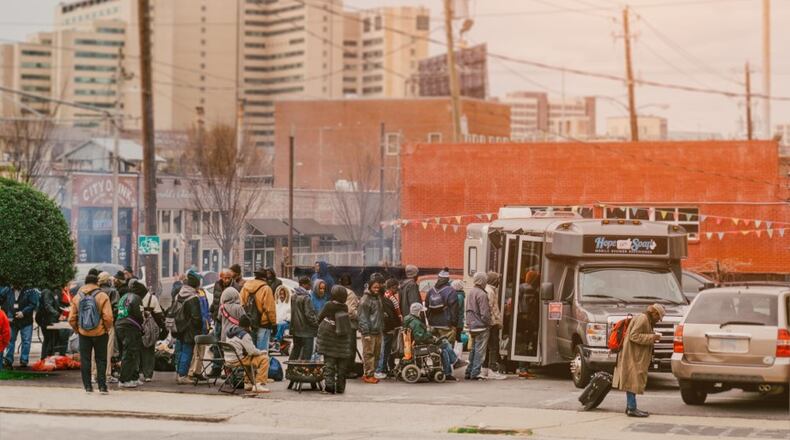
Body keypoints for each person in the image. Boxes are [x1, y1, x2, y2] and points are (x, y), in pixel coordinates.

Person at [613, 303, 665, 418]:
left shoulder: (645, 318)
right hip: (633, 355)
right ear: (654, 313)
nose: (658, 320)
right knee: (632, 381)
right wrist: (653, 337)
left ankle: (630, 407)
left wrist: (651, 335)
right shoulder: (643, 319)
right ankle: (632, 408)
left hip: (634, 355)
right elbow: (634, 336)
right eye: (659, 317)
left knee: (632, 381)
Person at [68, 274, 114, 394]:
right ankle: (102, 386)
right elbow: (108, 317)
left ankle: (88, 386)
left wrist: (78, 329)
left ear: (85, 283)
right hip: (100, 333)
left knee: (85, 360)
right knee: (101, 359)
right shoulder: (102, 296)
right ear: (97, 283)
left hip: (84, 333)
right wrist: (106, 328)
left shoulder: (77, 297)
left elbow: (71, 318)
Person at [403, 302, 459, 381]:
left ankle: (449, 370)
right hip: (420, 344)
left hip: (414, 344)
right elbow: (421, 337)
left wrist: (430, 335)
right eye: (421, 311)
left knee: (444, 349)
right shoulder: (416, 323)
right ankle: (454, 363)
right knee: (445, 344)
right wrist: (433, 339)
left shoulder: (408, 319)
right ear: (417, 312)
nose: (422, 313)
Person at [317, 285, 352, 394]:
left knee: (329, 364)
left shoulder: (329, 305)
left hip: (329, 339)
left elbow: (319, 317)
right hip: (342, 340)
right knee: (342, 366)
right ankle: (341, 388)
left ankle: (329, 387)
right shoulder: (345, 307)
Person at [170, 271, 203, 384]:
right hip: (190, 329)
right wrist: (199, 329)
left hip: (179, 327)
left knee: (180, 350)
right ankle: (183, 375)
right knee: (187, 352)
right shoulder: (193, 298)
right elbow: (196, 317)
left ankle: (178, 373)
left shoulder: (180, 294)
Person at [225, 314, 270, 393]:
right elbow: (252, 351)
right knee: (264, 359)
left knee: (249, 358)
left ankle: (248, 383)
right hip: (237, 360)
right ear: (248, 326)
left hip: (227, 360)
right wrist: (261, 352)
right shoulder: (244, 335)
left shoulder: (230, 332)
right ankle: (258, 384)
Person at [1, 285, 39, 369]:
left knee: (26, 341)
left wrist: (23, 312)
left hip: (26, 320)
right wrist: (6, 314)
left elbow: (33, 304)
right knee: (10, 340)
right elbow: (1, 300)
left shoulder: (29, 290)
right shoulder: (8, 289)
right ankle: (8, 360)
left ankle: (24, 360)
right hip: (12, 320)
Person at [115, 279, 144, 388]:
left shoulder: (123, 297)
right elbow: (139, 314)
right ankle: (124, 380)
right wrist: (142, 322)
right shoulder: (137, 298)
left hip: (119, 324)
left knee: (127, 352)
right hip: (131, 326)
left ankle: (133, 377)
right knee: (130, 353)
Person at [239, 267, 276, 354]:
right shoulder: (266, 289)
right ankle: (261, 363)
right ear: (265, 277)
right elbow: (270, 309)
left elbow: (241, 304)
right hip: (263, 323)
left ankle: (253, 363)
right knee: (262, 351)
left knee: (251, 350)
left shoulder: (245, 287)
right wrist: (274, 323)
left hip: (249, 323)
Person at [93, 272, 119, 384]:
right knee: (108, 350)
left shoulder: (94, 292)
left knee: (95, 349)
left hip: (95, 323)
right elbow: (116, 308)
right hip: (108, 324)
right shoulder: (113, 292)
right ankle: (106, 374)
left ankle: (94, 374)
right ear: (108, 280)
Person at [358, 273, 384, 384]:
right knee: (369, 354)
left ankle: (368, 373)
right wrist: (366, 333)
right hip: (369, 332)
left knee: (376, 354)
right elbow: (362, 317)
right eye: (374, 287)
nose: (377, 289)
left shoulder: (377, 298)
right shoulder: (365, 300)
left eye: (378, 287)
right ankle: (369, 375)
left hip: (377, 331)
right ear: (369, 287)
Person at [465, 272, 491, 381]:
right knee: (480, 351)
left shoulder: (471, 292)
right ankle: (475, 373)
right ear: (483, 281)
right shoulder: (482, 294)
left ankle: (468, 371)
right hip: (481, 326)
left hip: (472, 325)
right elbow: (485, 313)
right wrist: (488, 322)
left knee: (473, 350)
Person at [374, 278, 402, 379]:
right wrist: (397, 325)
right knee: (385, 349)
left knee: (385, 349)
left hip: (385, 328)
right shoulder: (390, 299)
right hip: (388, 328)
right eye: (395, 287)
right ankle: (380, 369)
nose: (397, 289)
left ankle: (383, 368)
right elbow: (395, 314)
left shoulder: (384, 298)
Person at [482, 272, 506, 380]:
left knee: (488, 347)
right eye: (498, 280)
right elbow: (492, 309)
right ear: (494, 280)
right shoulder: (490, 291)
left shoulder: (487, 289)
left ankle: (485, 368)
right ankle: (492, 369)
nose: (499, 282)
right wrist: (498, 322)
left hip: (489, 323)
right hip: (492, 323)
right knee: (493, 346)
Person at [188, 276, 212, 381]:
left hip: (203, 325)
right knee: (194, 350)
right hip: (196, 326)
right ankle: (191, 372)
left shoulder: (202, 293)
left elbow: (206, 310)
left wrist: (208, 322)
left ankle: (197, 371)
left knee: (201, 350)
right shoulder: (192, 295)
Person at [139, 282, 164, 382]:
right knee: (149, 350)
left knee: (136, 350)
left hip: (136, 326)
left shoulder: (133, 298)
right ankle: (148, 374)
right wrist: (161, 328)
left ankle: (137, 373)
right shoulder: (152, 298)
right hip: (149, 328)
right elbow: (158, 314)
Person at [288, 277, 319, 360]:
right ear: (304, 284)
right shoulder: (306, 298)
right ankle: (304, 368)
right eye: (309, 284)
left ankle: (291, 367)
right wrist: (316, 324)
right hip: (306, 330)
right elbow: (309, 315)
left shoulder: (293, 296)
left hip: (296, 329)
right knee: (307, 353)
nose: (310, 286)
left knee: (296, 350)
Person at [425, 268, 459, 344]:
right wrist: (454, 324)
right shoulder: (451, 291)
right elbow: (454, 310)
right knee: (447, 347)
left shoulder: (431, 291)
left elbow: (427, 307)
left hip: (433, 324)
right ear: (448, 279)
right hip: (446, 325)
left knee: (434, 346)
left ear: (438, 278)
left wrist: (429, 320)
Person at [339, 273, 360, 377]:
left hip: (338, 323)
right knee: (350, 348)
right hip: (349, 324)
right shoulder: (350, 294)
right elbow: (351, 312)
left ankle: (340, 370)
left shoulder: (336, 291)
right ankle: (348, 371)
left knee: (341, 348)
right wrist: (359, 314)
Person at [209, 269, 236, 343]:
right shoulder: (217, 284)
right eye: (225, 278)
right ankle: (216, 350)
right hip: (217, 316)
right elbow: (215, 300)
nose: (227, 280)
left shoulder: (235, 286)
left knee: (226, 338)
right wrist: (212, 311)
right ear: (221, 277)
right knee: (216, 336)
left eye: (229, 278)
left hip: (228, 318)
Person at [36, 287, 62, 359]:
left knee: (49, 339)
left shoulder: (51, 291)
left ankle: (45, 358)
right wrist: (57, 314)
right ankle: (46, 358)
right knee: (49, 340)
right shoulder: (47, 292)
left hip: (48, 319)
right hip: (47, 320)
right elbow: (48, 306)